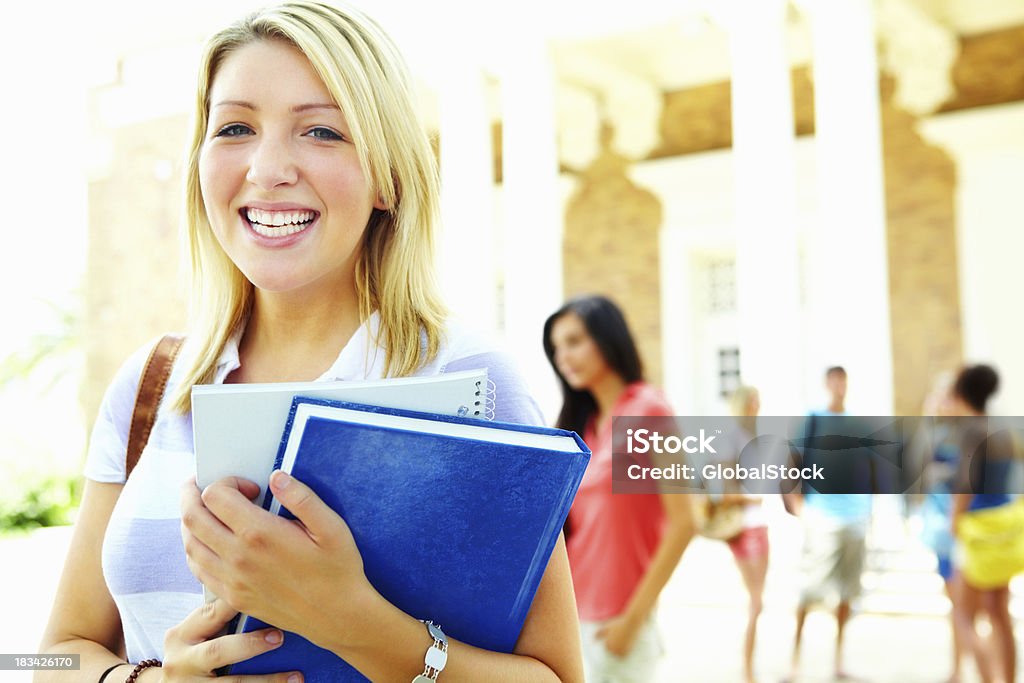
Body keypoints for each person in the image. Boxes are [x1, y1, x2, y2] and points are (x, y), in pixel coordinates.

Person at [37, 3, 585, 681]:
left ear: (386, 175)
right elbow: (50, 652)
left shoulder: (469, 382)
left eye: (322, 131)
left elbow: (555, 676)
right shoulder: (152, 384)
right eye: (235, 126)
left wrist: (354, 622)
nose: (267, 169)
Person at [543, 295, 694, 683]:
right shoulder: (584, 424)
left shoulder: (649, 410)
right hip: (572, 618)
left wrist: (633, 620)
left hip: (618, 625)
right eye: (557, 348)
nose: (564, 357)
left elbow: (685, 522)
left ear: (607, 338)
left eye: (574, 341)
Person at [784, 366, 872, 682]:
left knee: (848, 592)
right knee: (809, 590)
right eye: (835, 379)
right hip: (821, 515)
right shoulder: (814, 419)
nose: (840, 386)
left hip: (854, 516)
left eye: (844, 379)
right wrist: (798, 506)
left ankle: (838, 660)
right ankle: (794, 662)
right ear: (827, 383)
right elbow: (791, 461)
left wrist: (868, 509)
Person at [949, 364, 1017, 683]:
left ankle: (989, 678)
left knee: (963, 615)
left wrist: (953, 521)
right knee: (999, 615)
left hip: (978, 531)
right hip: (1003, 527)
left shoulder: (971, 431)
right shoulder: (1000, 429)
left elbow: (965, 485)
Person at [710, 385, 770, 683]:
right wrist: (752, 498)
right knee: (756, 602)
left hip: (759, 525)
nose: (758, 407)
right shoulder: (731, 439)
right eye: (753, 401)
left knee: (757, 603)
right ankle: (747, 672)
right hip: (743, 528)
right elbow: (724, 494)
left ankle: (749, 667)